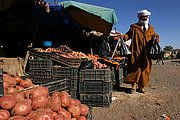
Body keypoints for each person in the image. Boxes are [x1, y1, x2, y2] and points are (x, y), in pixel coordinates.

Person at [121, 9, 160, 93]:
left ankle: (142, 87)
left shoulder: (151, 28)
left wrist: (156, 38)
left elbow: (155, 35)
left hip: (147, 53)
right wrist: (122, 36)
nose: (145, 18)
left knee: (145, 70)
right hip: (136, 51)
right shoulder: (134, 27)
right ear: (140, 17)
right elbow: (128, 35)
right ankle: (134, 86)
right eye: (143, 17)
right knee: (135, 68)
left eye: (146, 17)